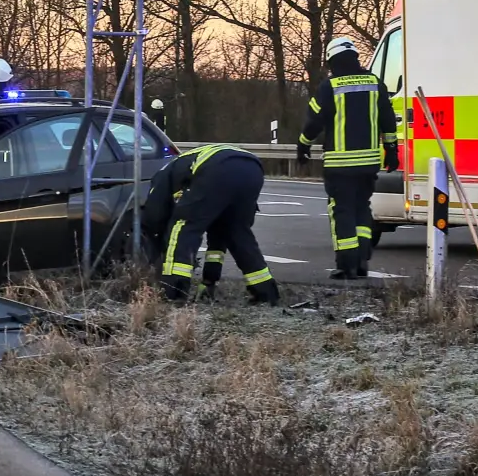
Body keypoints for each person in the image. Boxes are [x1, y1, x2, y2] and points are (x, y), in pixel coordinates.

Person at [298, 36, 398, 279]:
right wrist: (392, 150)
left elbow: (314, 121)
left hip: (340, 164)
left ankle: (346, 265)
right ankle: (362, 260)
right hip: (369, 162)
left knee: (341, 211)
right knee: (362, 208)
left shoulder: (329, 87)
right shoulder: (375, 83)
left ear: (332, 61)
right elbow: (388, 118)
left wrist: (303, 145)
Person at [143, 144, 280, 306]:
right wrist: (209, 281)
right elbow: (217, 239)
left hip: (217, 167)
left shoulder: (162, 177)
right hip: (252, 168)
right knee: (237, 232)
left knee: (183, 226)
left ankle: (173, 291)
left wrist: (155, 236)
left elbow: (154, 214)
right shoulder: (186, 169)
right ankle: (265, 291)